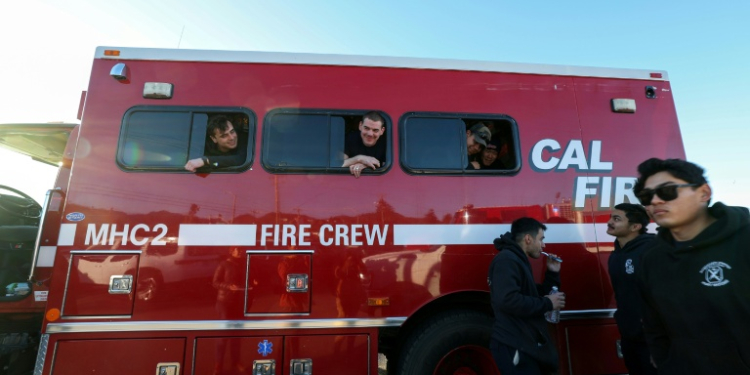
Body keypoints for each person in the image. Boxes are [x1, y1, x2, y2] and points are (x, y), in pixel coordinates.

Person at [633, 158, 750, 374]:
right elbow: (653, 324)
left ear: (703, 193)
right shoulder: (652, 258)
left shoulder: (744, 241)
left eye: (667, 191)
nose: (655, 201)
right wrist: (666, 362)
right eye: (646, 197)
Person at [488, 217, 565, 374]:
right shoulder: (507, 260)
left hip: (522, 344)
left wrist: (552, 273)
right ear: (528, 239)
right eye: (541, 239)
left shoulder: (517, 259)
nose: (543, 245)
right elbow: (508, 300)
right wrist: (547, 304)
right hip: (513, 345)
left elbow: (530, 293)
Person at [606, 203, 657, 375]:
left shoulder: (652, 250)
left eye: (616, 219)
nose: (609, 222)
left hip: (652, 340)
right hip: (629, 337)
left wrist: (660, 342)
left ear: (635, 226)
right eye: (611, 217)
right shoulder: (616, 254)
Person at [342, 111, 387, 178]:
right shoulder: (350, 139)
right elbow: (338, 164)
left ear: (382, 131)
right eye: (366, 128)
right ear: (360, 126)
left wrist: (366, 166)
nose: (370, 134)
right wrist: (359, 159)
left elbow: (388, 170)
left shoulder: (387, 144)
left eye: (375, 130)